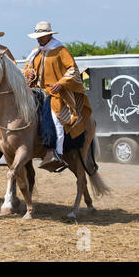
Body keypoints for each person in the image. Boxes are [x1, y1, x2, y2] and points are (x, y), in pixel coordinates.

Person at [23, 21, 92, 171]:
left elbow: (72, 70)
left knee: (54, 116)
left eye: (42, 36)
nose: (39, 39)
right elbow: (26, 68)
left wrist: (61, 83)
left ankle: (55, 151)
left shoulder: (60, 50)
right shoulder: (35, 52)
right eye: (37, 36)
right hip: (36, 91)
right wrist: (29, 74)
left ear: (49, 35)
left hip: (57, 94)